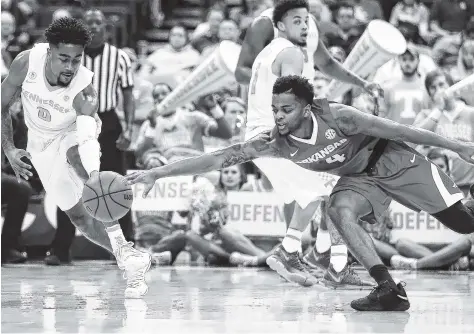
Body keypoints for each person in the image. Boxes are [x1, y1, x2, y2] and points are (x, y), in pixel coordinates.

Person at [126, 75, 474, 311]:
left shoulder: (341, 117)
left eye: (286, 109)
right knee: (337, 209)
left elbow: (400, 129)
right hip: (359, 179)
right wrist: (157, 171)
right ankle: (387, 289)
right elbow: (219, 158)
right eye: (275, 108)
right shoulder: (276, 143)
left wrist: (456, 145)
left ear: (307, 108)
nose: (278, 116)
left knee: (463, 224)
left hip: (394, 160)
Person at [234, 0, 381, 287]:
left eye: (305, 20)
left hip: (262, 134)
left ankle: (318, 255)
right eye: (297, 21)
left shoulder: (272, 50)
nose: (304, 25)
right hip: (278, 134)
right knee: (337, 185)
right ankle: (309, 255)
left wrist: (361, 84)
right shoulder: (288, 50)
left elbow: (325, 65)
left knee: (320, 191)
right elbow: (294, 101)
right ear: (281, 24)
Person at [0, 17, 151, 298]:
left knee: (77, 155)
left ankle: (119, 235)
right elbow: (2, 106)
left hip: (74, 132)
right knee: (80, 219)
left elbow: (85, 139)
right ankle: (130, 258)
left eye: (77, 59)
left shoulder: (85, 88)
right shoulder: (25, 62)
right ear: (49, 52)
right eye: (64, 59)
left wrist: (94, 175)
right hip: (40, 144)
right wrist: (9, 148)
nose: (71, 67)